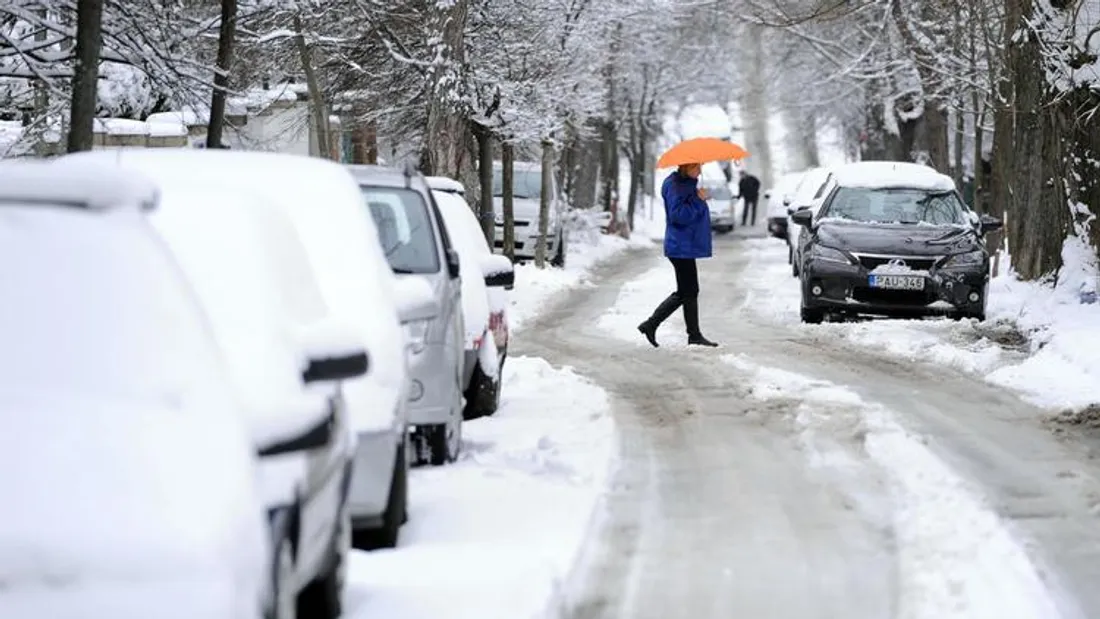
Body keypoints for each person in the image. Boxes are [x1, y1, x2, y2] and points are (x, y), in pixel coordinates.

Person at [636, 163, 719, 348]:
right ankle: (684, 333)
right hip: (680, 246)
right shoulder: (676, 186)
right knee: (688, 291)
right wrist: (699, 199)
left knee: (687, 292)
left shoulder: (684, 184)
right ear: (687, 167)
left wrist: (697, 196)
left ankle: (657, 326)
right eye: (696, 167)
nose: (700, 170)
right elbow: (678, 215)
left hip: (684, 245)